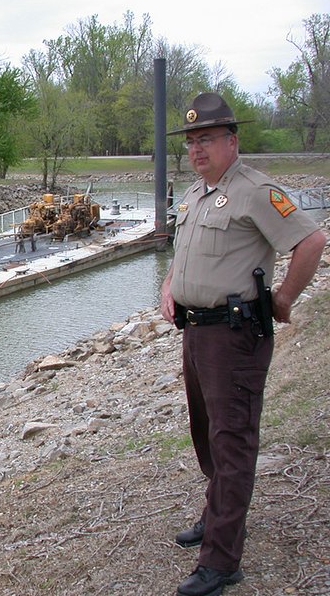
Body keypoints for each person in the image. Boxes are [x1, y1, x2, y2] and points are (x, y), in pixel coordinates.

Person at [159, 92, 326, 596]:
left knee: (232, 441)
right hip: (197, 332)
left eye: (206, 139)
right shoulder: (195, 195)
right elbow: (181, 253)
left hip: (235, 335)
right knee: (207, 433)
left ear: (232, 141)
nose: (196, 149)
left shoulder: (255, 191)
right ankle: (219, 518)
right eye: (190, 141)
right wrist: (170, 286)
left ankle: (222, 560)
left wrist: (284, 298)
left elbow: (311, 241)